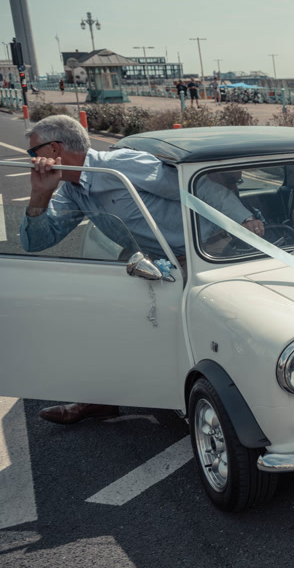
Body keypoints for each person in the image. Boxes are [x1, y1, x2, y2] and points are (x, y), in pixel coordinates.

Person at [20, 115, 260, 424]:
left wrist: (243, 220)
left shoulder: (121, 165)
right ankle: (102, 397)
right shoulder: (70, 191)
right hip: (151, 259)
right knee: (108, 319)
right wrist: (40, 195)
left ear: (54, 149)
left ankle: (220, 403)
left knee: (197, 326)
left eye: (33, 152)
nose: (32, 160)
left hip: (206, 250)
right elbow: (36, 242)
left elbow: (196, 190)